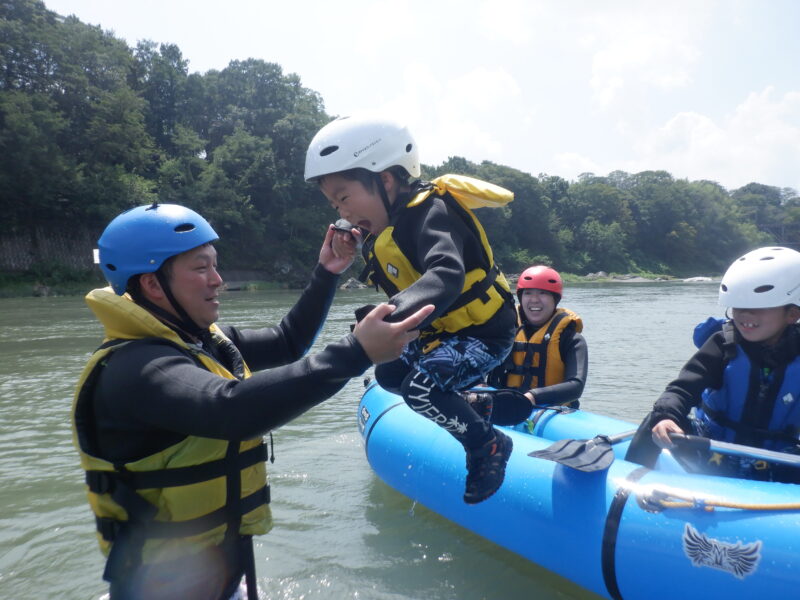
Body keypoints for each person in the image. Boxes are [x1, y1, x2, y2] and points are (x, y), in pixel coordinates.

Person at [71, 202, 433, 600]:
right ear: (153, 285)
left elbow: (288, 341)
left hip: (223, 578)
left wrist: (327, 272)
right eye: (201, 268)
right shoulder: (136, 369)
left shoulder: (202, 343)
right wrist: (356, 352)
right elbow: (230, 410)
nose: (218, 280)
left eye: (215, 265)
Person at [304, 115, 518, 504]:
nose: (343, 211)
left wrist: (390, 313)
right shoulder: (387, 224)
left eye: (345, 197)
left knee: (420, 388)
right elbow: (396, 255)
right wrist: (354, 241)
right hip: (448, 333)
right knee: (389, 373)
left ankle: (487, 445)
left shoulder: (431, 211)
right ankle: (473, 403)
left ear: (385, 180)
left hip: (486, 334)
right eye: (334, 203)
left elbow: (447, 273)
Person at [625, 246, 800, 483]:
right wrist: (667, 416)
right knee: (655, 419)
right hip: (713, 451)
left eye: (758, 308)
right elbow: (682, 389)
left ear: (792, 314)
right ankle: (628, 488)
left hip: (779, 459)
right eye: (738, 306)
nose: (745, 316)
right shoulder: (723, 345)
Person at [477, 265, 587, 425]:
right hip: (501, 407)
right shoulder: (503, 331)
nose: (534, 300)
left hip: (553, 413)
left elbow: (576, 386)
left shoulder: (571, 339)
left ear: (555, 299)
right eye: (528, 293)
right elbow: (477, 367)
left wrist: (532, 397)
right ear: (520, 297)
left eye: (543, 293)